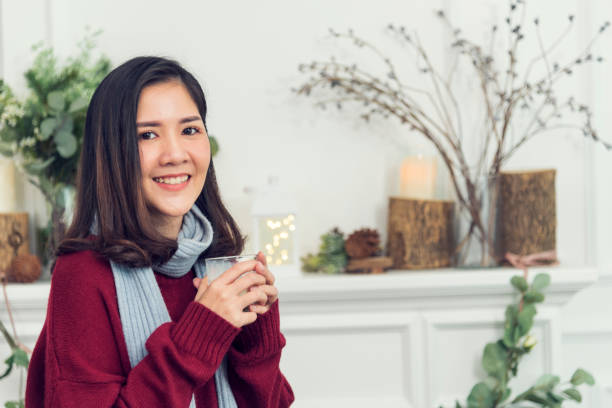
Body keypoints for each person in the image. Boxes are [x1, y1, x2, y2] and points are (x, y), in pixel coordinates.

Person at [25, 56, 295, 407]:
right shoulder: (83, 272)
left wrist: (258, 336)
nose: (175, 154)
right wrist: (200, 334)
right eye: (148, 134)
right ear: (111, 151)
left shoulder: (218, 263)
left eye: (189, 130)